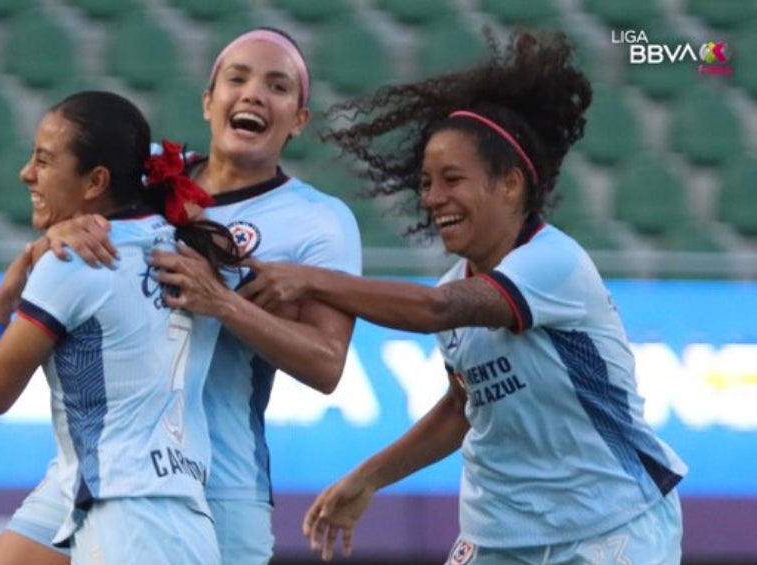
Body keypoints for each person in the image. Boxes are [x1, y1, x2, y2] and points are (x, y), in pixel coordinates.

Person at [239, 31, 687, 564]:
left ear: (511, 185)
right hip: (498, 532)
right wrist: (367, 479)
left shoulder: (554, 264)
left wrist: (311, 278)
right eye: (426, 183)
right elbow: (463, 405)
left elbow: (436, 311)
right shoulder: (455, 286)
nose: (433, 198)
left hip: (612, 521)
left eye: (452, 179)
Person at [44, 27, 363, 565]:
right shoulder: (142, 172)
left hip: (221, 487)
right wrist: (59, 231)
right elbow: (50, 201)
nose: (254, 94)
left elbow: (326, 365)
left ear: (299, 120)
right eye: (236, 78)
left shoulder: (320, 221)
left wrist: (223, 302)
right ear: (208, 100)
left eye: (278, 86)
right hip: (101, 468)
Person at [0, 90, 243, 565]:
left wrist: (2, 301)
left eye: (44, 160)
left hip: (130, 515)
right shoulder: (193, 246)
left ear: (96, 180)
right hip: (128, 494)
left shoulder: (75, 260)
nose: (26, 173)